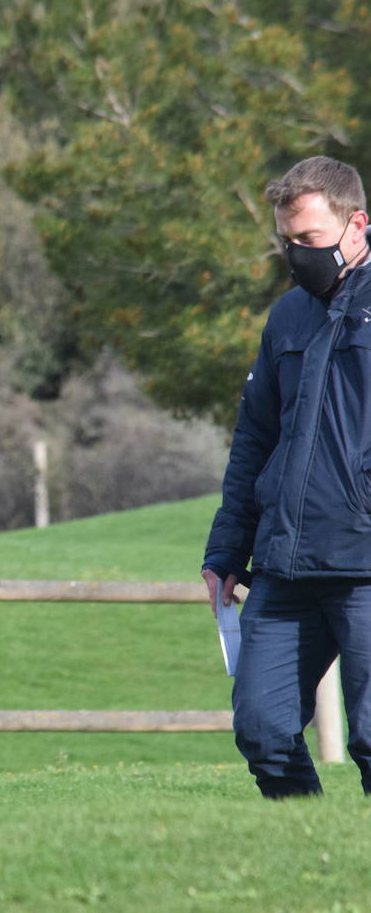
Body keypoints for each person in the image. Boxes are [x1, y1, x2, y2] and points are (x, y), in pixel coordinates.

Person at [203, 155, 371, 798]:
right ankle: (303, 851)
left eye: (309, 239)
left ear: (356, 225)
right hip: (285, 564)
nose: (297, 254)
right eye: (287, 241)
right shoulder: (286, 319)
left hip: (362, 560)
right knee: (263, 730)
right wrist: (225, 550)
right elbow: (253, 441)